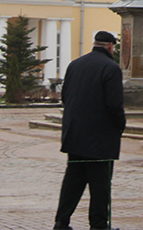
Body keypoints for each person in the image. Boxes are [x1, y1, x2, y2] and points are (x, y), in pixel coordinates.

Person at [54, 31, 125, 230]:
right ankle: (98, 224)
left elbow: (65, 96)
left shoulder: (75, 64)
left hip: (74, 134)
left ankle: (61, 221)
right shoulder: (111, 68)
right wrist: (120, 125)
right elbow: (114, 104)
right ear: (110, 46)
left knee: (72, 182)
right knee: (100, 184)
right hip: (100, 137)